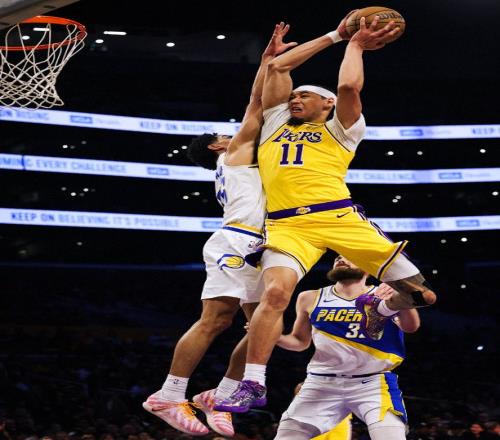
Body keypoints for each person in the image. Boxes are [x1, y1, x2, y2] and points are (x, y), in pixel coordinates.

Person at [215, 12, 436, 413]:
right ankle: (253, 383)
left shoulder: (342, 128)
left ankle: (376, 307)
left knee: (422, 295)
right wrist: (335, 34)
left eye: (304, 95)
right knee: (275, 294)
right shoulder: (276, 121)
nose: (295, 99)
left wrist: (356, 45)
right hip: (287, 225)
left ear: (327, 103)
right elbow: (277, 67)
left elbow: (349, 85)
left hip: (339, 217)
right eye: (293, 96)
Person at [142, 23, 297, 436]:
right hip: (238, 240)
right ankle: (168, 395)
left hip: (260, 243)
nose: (233, 133)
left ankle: (221, 393)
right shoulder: (235, 154)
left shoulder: (239, 160)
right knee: (215, 321)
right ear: (216, 146)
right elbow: (255, 104)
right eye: (224, 134)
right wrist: (267, 62)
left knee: (266, 327)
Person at [273, 255, 420, 440]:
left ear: (368, 268)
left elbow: (411, 327)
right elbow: (300, 342)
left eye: (350, 257)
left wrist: (402, 297)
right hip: (321, 382)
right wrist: (274, 337)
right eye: (338, 257)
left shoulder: (384, 294)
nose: (341, 259)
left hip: (373, 383)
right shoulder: (309, 297)